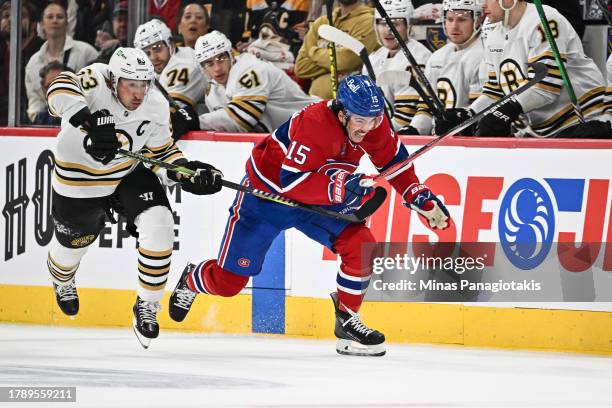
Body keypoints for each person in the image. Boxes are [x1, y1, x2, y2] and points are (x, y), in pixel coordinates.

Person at [167, 75, 450, 357]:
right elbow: (291, 181)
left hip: (317, 200)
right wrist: (342, 187)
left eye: (374, 120)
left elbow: (394, 163)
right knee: (228, 284)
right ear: (342, 114)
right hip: (267, 198)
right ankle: (193, 278)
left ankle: (347, 321)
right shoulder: (314, 124)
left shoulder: (373, 121)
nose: (367, 128)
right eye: (360, 121)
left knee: (360, 244)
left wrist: (417, 195)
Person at [45, 47, 223, 348]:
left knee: (160, 223)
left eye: (144, 84)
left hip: (126, 173)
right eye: (131, 84)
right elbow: (58, 89)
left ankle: (147, 306)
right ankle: (62, 280)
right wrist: (90, 125)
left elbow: (161, 154)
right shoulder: (97, 79)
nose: (139, 93)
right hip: (78, 182)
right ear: (114, 80)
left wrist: (187, 172)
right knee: (72, 248)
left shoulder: (154, 104)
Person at [436, 0, 610, 138]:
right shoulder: (493, 30)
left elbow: (546, 88)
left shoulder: (544, 20)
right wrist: (469, 114)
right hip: (542, 129)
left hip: (583, 122)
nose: (482, 4)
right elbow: (495, 89)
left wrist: (506, 110)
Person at [192, 30, 318, 132]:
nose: (217, 68)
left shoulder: (252, 70)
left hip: (316, 124)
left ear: (231, 55)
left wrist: (192, 121)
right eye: (209, 63)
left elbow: (241, 120)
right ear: (203, 68)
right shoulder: (212, 91)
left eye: (221, 58)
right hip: (291, 135)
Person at [405, 0, 486, 136]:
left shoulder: (484, 55)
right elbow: (427, 106)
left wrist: (460, 126)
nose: (454, 26)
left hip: (473, 141)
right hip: (441, 141)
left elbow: (482, 112)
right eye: (449, 19)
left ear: (477, 21)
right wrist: (415, 129)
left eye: (462, 20)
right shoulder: (437, 57)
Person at [134, 18, 208, 139]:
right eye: (146, 53)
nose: (153, 58)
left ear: (171, 45)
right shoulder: (149, 71)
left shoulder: (186, 63)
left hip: (206, 140)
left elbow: (169, 116)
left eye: (157, 48)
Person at [25, 2, 98, 122]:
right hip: (44, 127)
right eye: (50, 17)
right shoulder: (33, 62)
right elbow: (35, 105)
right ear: (42, 24)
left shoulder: (87, 52)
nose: (55, 21)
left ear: (67, 22)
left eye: (60, 17)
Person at [365, 0, 432, 130]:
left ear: (409, 25)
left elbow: (404, 119)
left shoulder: (418, 57)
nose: (389, 30)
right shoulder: (374, 58)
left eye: (395, 23)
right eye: (383, 23)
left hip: (407, 136)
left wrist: (371, 131)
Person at [294, 0, 379, 99]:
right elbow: (301, 67)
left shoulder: (370, 21)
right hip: (316, 104)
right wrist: (339, 60)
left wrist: (314, 52)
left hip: (352, 106)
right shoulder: (321, 22)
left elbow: (347, 61)